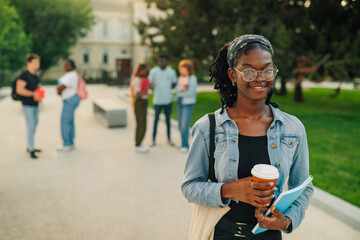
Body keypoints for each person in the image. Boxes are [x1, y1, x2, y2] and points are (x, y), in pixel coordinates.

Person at [181, 34, 314, 239]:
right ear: (233, 75)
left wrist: (287, 220)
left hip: (269, 234)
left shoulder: (293, 129)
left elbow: (303, 187)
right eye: (249, 71)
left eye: (267, 70)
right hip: (223, 233)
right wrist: (231, 189)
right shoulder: (208, 128)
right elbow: (190, 187)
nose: (260, 78)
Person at [16, 53, 42, 159]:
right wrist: (33, 94)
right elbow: (19, 90)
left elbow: (38, 87)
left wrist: (40, 92)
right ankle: (31, 148)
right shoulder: (23, 75)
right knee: (30, 126)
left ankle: (30, 145)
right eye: (35, 63)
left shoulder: (36, 76)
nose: (37, 65)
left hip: (35, 104)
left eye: (38, 63)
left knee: (34, 125)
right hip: (27, 105)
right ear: (28, 63)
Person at [148, 54, 177, 147]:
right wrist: (153, 86)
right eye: (160, 61)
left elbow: (174, 83)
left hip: (168, 100)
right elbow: (149, 84)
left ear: (166, 61)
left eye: (163, 61)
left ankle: (169, 138)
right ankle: (153, 139)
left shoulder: (171, 72)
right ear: (158, 61)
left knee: (168, 120)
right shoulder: (154, 72)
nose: (162, 62)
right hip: (158, 100)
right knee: (156, 120)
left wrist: (167, 89)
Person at [56, 59, 80, 152]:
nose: (64, 66)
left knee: (65, 122)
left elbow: (62, 87)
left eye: (66, 65)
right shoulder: (69, 74)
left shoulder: (72, 75)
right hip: (69, 99)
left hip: (70, 100)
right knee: (69, 122)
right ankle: (70, 142)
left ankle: (67, 144)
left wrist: (58, 89)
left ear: (71, 66)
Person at [175, 59, 198, 153]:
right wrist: (182, 90)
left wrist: (180, 92)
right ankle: (183, 142)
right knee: (180, 125)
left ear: (188, 68)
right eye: (181, 68)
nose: (181, 70)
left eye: (183, 68)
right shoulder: (180, 78)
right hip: (179, 102)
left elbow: (190, 93)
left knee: (185, 125)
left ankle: (185, 145)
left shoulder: (192, 78)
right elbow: (176, 90)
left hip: (187, 103)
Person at [129, 63, 150, 153]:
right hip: (139, 102)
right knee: (141, 124)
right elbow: (138, 94)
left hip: (144, 102)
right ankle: (137, 144)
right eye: (144, 70)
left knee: (144, 123)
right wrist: (148, 87)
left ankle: (139, 143)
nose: (145, 72)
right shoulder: (136, 79)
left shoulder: (141, 79)